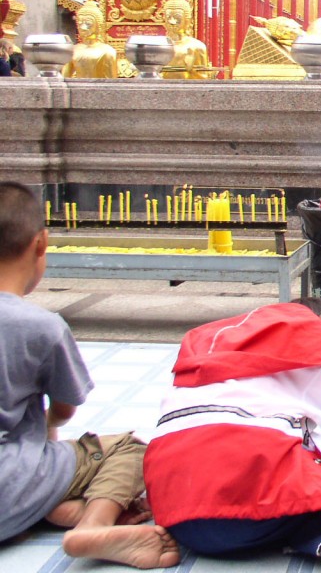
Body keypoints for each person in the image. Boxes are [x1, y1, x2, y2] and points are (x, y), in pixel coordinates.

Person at [142, 296, 321, 573]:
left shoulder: (211, 344)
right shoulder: (308, 340)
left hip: (183, 521)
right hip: (254, 501)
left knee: (290, 485)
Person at [0, 181, 179, 568]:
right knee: (128, 448)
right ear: (40, 244)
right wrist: (47, 442)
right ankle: (92, 525)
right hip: (10, 485)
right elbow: (63, 411)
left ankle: (59, 508)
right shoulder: (41, 327)